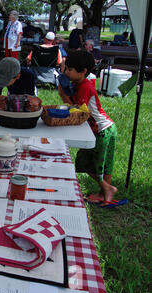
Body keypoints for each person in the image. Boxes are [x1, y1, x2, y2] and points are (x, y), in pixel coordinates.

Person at [58, 50, 118, 205]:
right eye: (66, 69)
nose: (67, 73)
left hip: (102, 129)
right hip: (106, 127)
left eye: (70, 70)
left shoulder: (85, 86)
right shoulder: (78, 83)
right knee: (98, 163)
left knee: (93, 163)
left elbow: (79, 111)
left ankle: (106, 189)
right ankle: (104, 191)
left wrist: (64, 97)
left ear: (83, 71)